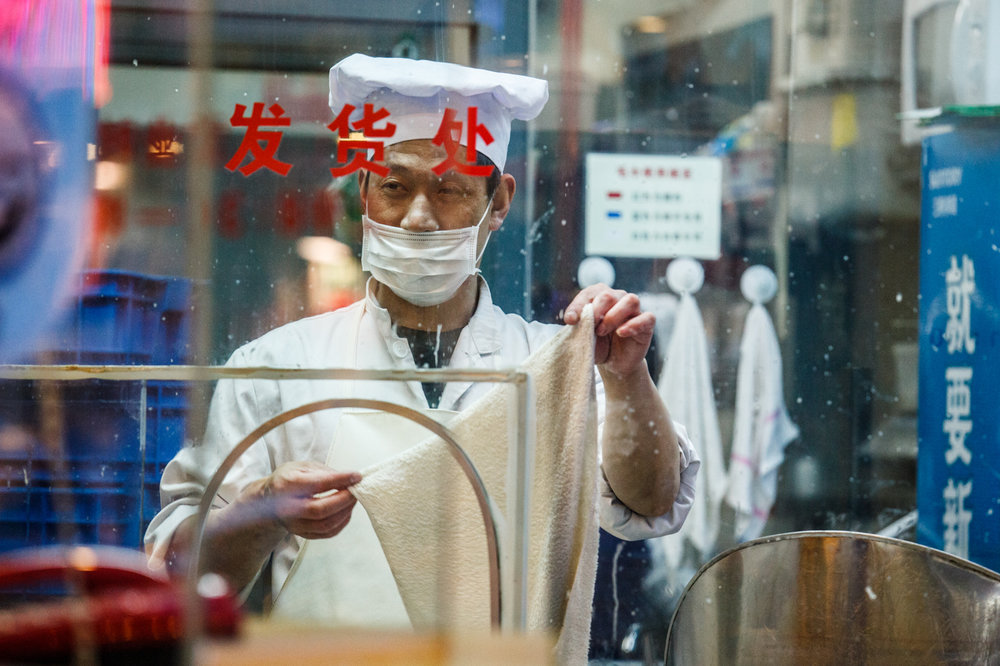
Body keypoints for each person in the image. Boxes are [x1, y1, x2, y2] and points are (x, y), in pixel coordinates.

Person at [144, 54, 699, 627]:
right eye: (394, 186)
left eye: (449, 189)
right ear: (363, 192)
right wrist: (261, 511)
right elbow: (182, 581)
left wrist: (626, 376)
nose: (417, 218)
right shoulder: (279, 365)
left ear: (499, 202)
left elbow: (650, 501)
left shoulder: (546, 364)